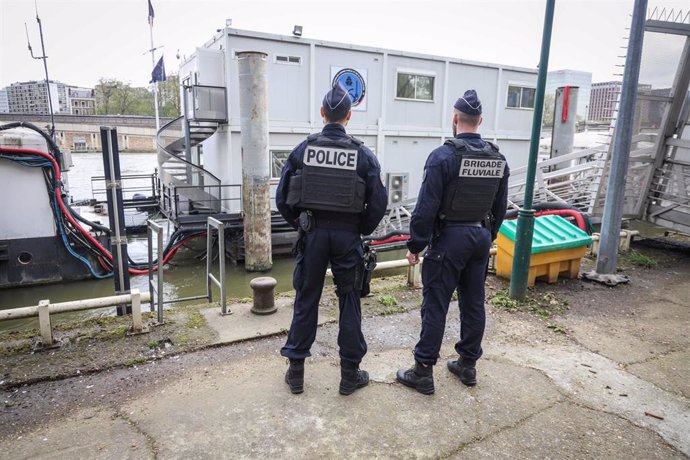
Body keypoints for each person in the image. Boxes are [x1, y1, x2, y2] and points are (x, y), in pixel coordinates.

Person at [276, 83, 387, 396]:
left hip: (312, 236)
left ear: (322, 113)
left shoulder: (303, 151)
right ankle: (349, 375)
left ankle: (296, 371)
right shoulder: (363, 155)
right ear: (349, 116)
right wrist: (358, 229)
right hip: (347, 236)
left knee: (306, 298)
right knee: (349, 300)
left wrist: (301, 223)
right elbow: (378, 203)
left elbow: (282, 198)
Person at [396, 89, 510, 395]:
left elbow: (426, 208)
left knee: (436, 304)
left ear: (455, 119)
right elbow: (501, 207)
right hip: (480, 237)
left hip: (449, 239)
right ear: (480, 120)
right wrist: (488, 235)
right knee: (474, 302)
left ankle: (422, 371)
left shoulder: (443, 157)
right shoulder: (497, 158)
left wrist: (416, 245)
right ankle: (467, 365)